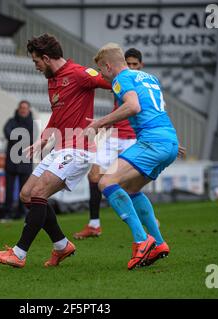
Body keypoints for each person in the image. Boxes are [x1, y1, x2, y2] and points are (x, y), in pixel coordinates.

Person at [0, 33, 111, 268]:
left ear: (46, 57)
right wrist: (42, 141)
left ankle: (19, 253)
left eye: (36, 62)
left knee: (39, 193)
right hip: (60, 147)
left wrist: (127, 107)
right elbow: (58, 114)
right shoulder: (52, 79)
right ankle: (62, 245)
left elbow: (113, 83)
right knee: (27, 194)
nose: (36, 67)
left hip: (79, 149)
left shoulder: (79, 74)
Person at [82, 43, 179, 270]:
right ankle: (159, 243)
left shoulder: (120, 79)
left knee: (105, 181)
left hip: (152, 141)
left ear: (107, 65)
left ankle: (141, 240)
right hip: (169, 141)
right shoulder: (148, 77)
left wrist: (99, 123)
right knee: (132, 189)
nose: (103, 77)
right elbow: (152, 109)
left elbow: (133, 106)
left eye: (102, 71)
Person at [74, 48, 141, 240]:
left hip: (134, 138)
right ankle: (94, 224)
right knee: (93, 176)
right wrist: (105, 124)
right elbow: (118, 107)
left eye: (135, 64)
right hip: (115, 135)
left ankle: (143, 225)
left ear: (141, 66)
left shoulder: (141, 82)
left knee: (131, 185)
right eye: (128, 63)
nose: (131, 67)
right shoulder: (119, 80)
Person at [3, 100, 34, 220]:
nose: (23, 110)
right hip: (11, 162)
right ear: (18, 109)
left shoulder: (33, 124)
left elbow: (32, 139)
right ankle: (7, 213)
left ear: (28, 110)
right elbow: (7, 133)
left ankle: (23, 213)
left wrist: (18, 137)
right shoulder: (11, 121)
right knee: (9, 190)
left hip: (25, 162)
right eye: (21, 108)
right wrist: (22, 138)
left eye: (25, 108)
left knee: (25, 191)